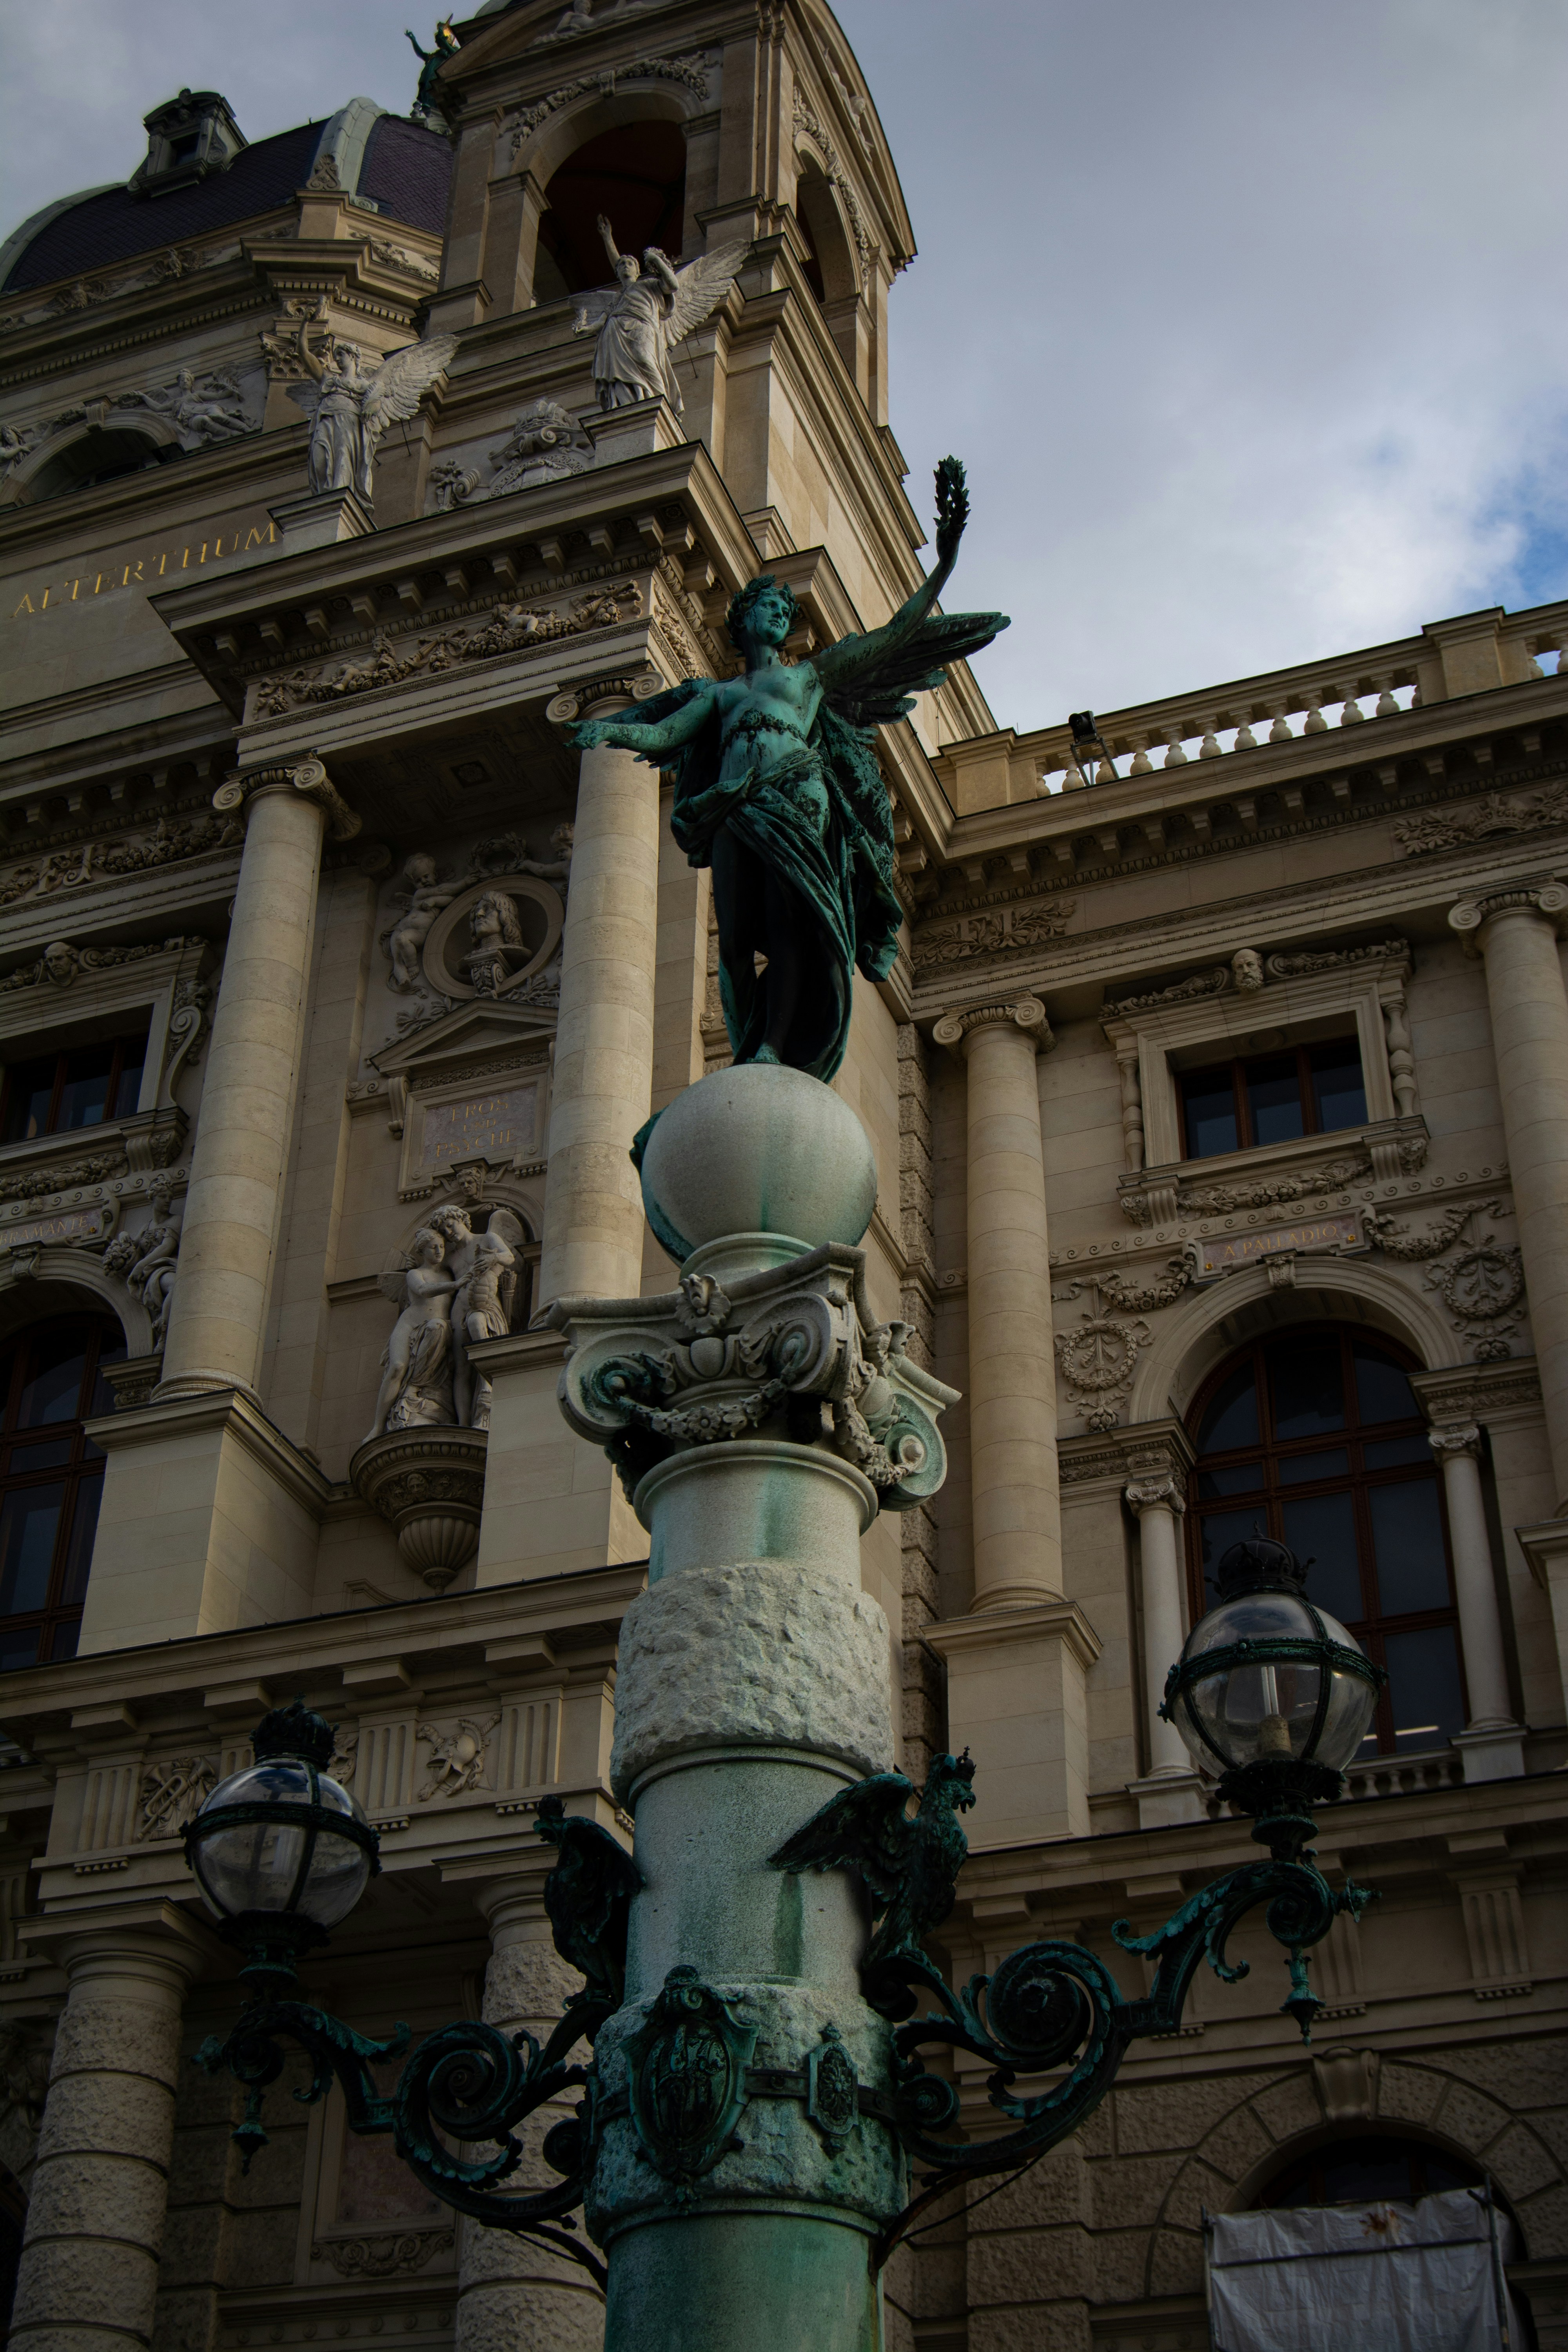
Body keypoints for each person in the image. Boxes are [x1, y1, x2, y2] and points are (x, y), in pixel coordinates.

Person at [570, 458, 1008, 1083]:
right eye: (765, 606)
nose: (778, 614)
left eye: (784, 609)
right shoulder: (720, 695)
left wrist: (945, 562)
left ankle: (773, 1045)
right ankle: (752, 1041)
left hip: (797, 795)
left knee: (789, 924)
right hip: (734, 804)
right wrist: (606, 729)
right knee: (734, 937)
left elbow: (896, 632)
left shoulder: (807, 676)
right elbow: (664, 733)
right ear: (741, 618)